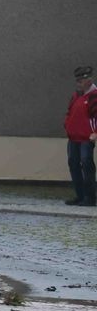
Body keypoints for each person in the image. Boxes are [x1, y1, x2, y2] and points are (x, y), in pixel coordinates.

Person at [64, 65, 97, 206]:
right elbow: (69, 112)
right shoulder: (76, 95)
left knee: (86, 163)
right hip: (73, 138)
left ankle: (90, 197)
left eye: (81, 80)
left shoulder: (94, 95)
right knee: (73, 164)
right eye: (77, 80)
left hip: (86, 138)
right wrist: (67, 124)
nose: (78, 83)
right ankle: (80, 195)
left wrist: (95, 133)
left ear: (89, 80)